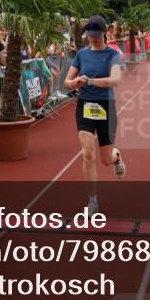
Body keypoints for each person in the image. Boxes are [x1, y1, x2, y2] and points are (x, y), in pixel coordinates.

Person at [64, 15, 127, 215]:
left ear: (104, 33)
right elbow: (67, 81)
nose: (93, 38)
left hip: (106, 107)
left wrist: (90, 81)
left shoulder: (112, 54)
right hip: (85, 106)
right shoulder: (82, 54)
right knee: (87, 154)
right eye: (90, 35)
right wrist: (74, 84)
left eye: (96, 34)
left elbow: (116, 79)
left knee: (105, 159)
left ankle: (117, 158)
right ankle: (92, 200)